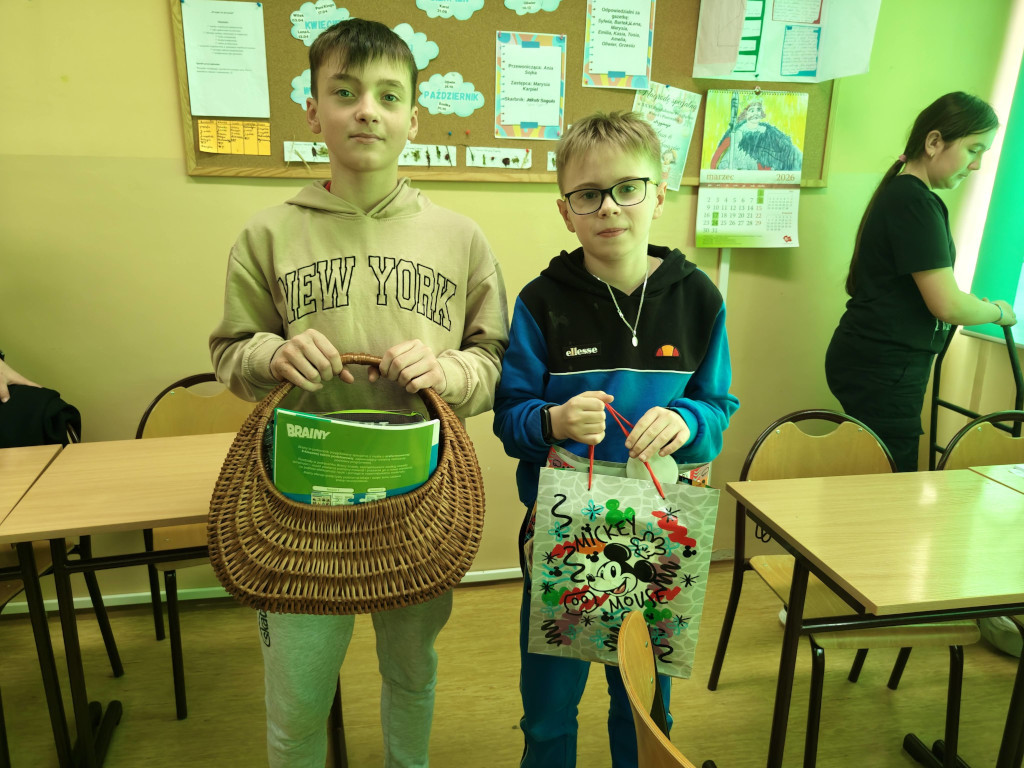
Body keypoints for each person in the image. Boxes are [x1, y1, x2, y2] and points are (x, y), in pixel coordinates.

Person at [209, 19, 508, 768]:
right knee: (298, 704)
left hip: (420, 498)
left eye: (388, 95)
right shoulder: (267, 234)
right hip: (298, 503)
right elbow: (229, 352)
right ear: (313, 112)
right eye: (344, 93)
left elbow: (494, 361)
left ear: (414, 119)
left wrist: (448, 373)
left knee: (412, 673)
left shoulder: (461, 238)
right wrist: (274, 354)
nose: (366, 110)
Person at [492, 112, 739, 768]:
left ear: (659, 196)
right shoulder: (540, 302)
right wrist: (553, 421)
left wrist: (690, 422)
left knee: (644, 706)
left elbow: (718, 408)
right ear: (565, 211)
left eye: (628, 188)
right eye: (588, 195)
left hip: (659, 532)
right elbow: (509, 417)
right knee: (549, 711)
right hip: (566, 533)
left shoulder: (699, 299)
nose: (608, 207)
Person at [825, 92, 1017, 472]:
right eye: (973, 150)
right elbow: (946, 304)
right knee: (891, 480)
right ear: (933, 142)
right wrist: (998, 312)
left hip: (875, 361)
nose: (977, 165)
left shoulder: (903, 195)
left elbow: (933, 293)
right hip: (883, 367)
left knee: (872, 473)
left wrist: (967, 303)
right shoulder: (914, 202)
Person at [710, 97, 802, 171]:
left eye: (758, 110)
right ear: (745, 114)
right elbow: (720, 154)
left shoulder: (770, 132)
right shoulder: (737, 133)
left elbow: (785, 150)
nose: (756, 113)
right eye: (752, 110)